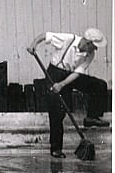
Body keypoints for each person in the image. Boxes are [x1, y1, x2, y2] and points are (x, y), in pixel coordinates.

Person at [27, 28, 109, 158]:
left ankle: (92, 117)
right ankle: (56, 149)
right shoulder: (68, 39)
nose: (96, 49)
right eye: (94, 46)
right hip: (55, 73)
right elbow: (45, 35)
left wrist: (62, 84)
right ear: (87, 42)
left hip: (70, 76)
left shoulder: (90, 54)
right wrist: (33, 45)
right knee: (57, 112)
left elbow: (78, 72)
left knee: (99, 85)